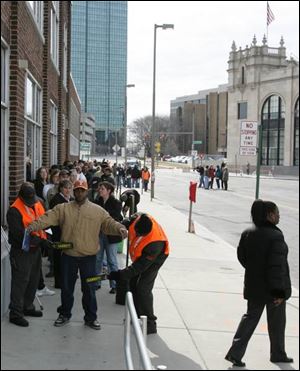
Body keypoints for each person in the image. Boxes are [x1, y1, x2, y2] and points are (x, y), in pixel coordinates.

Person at [27, 179, 128, 330]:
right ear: (74, 191)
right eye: (77, 190)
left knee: (89, 289)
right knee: (66, 288)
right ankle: (64, 314)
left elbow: (109, 223)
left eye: (82, 190)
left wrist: (120, 228)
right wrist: (32, 226)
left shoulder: (97, 210)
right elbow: (47, 218)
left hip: (89, 258)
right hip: (68, 256)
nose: (80, 192)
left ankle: (91, 318)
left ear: (87, 191)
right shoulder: (63, 208)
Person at [225, 200, 293, 367]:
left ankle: (235, 352)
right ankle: (277, 353)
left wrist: (255, 271)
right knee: (277, 322)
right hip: (273, 288)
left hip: (254, 285)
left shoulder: (248, 232)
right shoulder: (275, 235)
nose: (279, 216)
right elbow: (277, 266)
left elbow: (242, 257)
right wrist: (278, 292)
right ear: (269, 215)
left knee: (250, 318)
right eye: (277, 213)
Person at [108, 212, 170, 334]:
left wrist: (120, 274)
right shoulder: (137, 218)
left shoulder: (154, 244)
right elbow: (125, 224)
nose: (136, 235)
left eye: (140, 234)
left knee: (143, 288)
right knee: (132, 283)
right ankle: (137, 316)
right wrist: (120, 228)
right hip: (141, 257)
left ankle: (150, 324)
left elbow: (139, 267)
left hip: (157, 258)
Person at [6, 182, 49, 327]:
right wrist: (38, 240)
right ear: (21, 196)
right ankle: (15, 313)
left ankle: (28, 306)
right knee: (20, 281)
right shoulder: (14, 210)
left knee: (33, 279)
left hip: (35, 250)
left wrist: (44, 240)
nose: (31, 202)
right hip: (21, 251)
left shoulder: (37, 203)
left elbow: (44, 221)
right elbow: (19, 234)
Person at [95, 181, 123, 293]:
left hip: (112, 235)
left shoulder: (116, 203)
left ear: (109, 191)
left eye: (102, 189)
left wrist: (104, 214)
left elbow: (117, 217)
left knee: (112, 260)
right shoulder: (97, 201)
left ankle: (114, 285)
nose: (100, 190)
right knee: (98, 259)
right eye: (100, 189)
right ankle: (97, 282)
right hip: (100, 234)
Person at [48, 179, 74, 289]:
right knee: (58, 257)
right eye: (65, 188)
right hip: (58, 234)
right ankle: (59, 282)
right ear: (61, 188)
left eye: (69, 188)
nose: (68, 190)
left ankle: (65, 279)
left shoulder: (70, 199)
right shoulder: (56, 200)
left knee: (66, 257)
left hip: (68, 234)